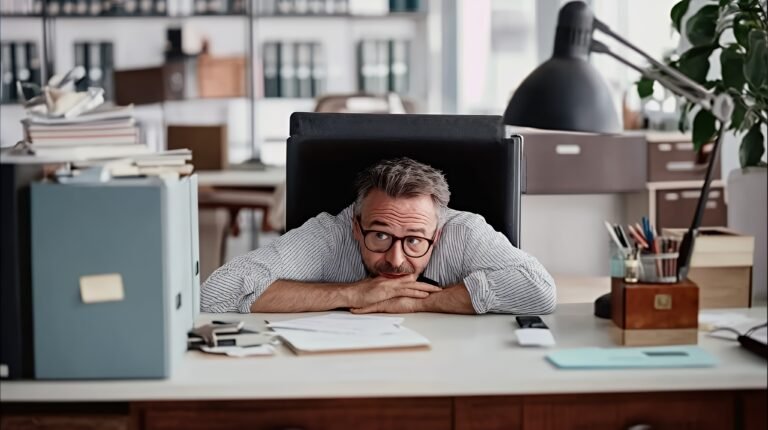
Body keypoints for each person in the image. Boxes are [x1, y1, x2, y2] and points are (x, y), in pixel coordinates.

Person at [201, 157, 556, 314]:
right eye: (380, 237)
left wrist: (420, 301)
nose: (396, 260)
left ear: (438, 231)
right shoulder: (331, 232)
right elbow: (216, 294)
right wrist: (356, 293)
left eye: (415, 240)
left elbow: (539, 289)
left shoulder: (462, 230)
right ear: (357, 226)